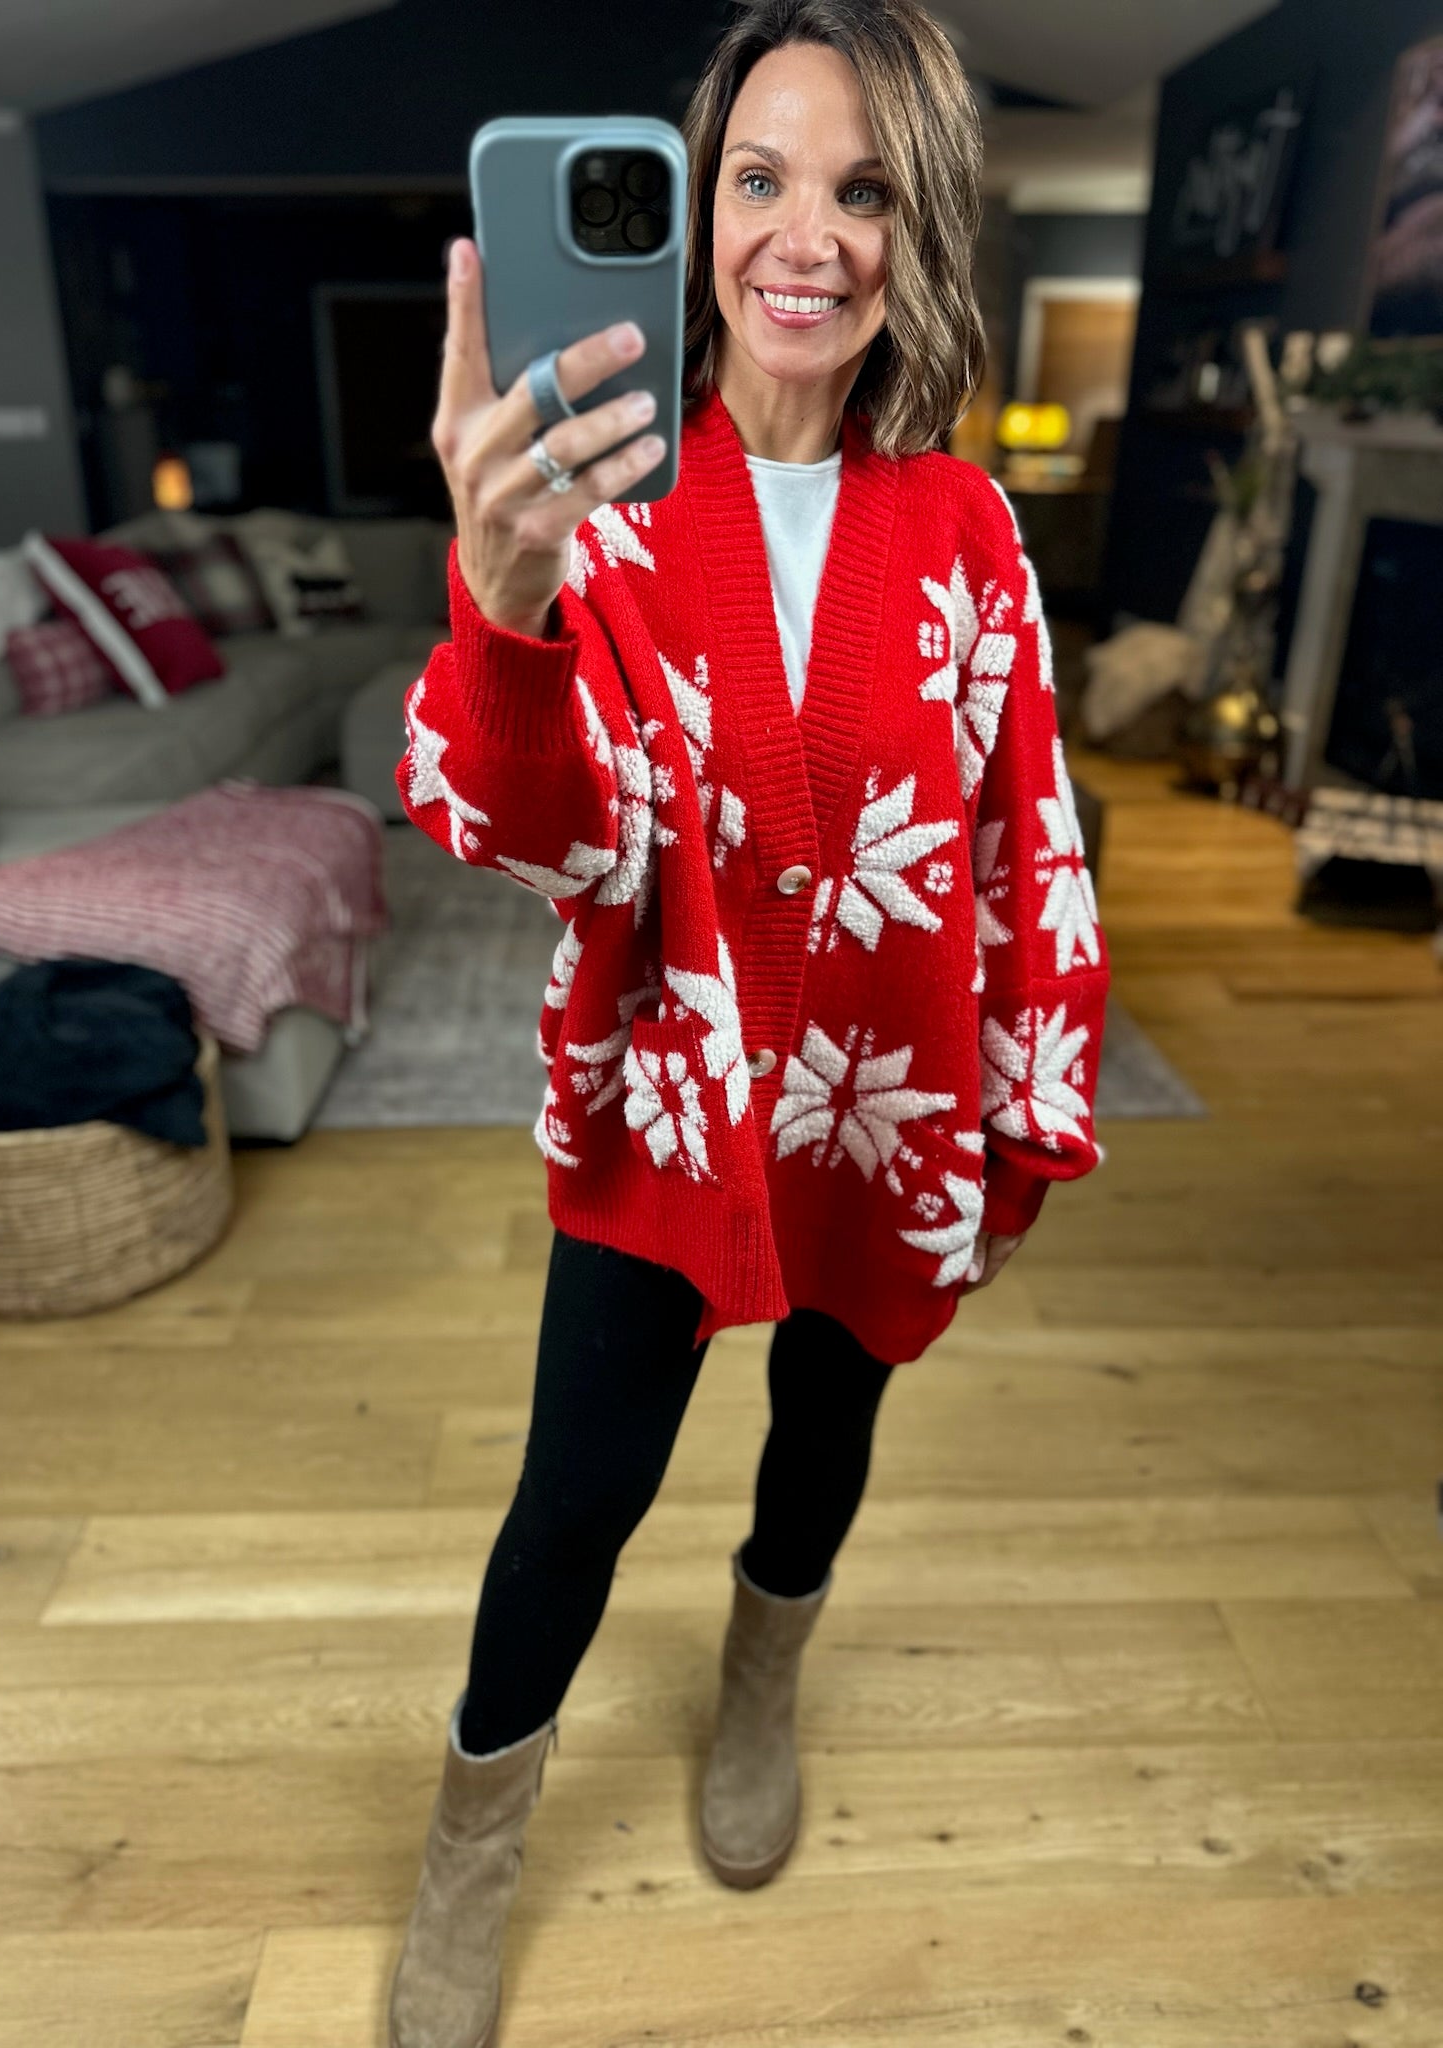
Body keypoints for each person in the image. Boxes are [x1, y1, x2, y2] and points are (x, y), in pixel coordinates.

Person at [387, 3, 1109, 2041]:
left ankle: (763, 1675)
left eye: (866, 188)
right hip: (667, 1115)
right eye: (764, 178)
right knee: (573, 1500)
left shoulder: (964, 530)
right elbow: (535, 833)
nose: (811, 235)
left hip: (887, 1110)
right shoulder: (600, 510)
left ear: (917, 228)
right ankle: (472, 1835)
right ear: (699, 208)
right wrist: (504, 609)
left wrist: (1023, 1122)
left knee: (825, 1432)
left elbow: (1025, 835)